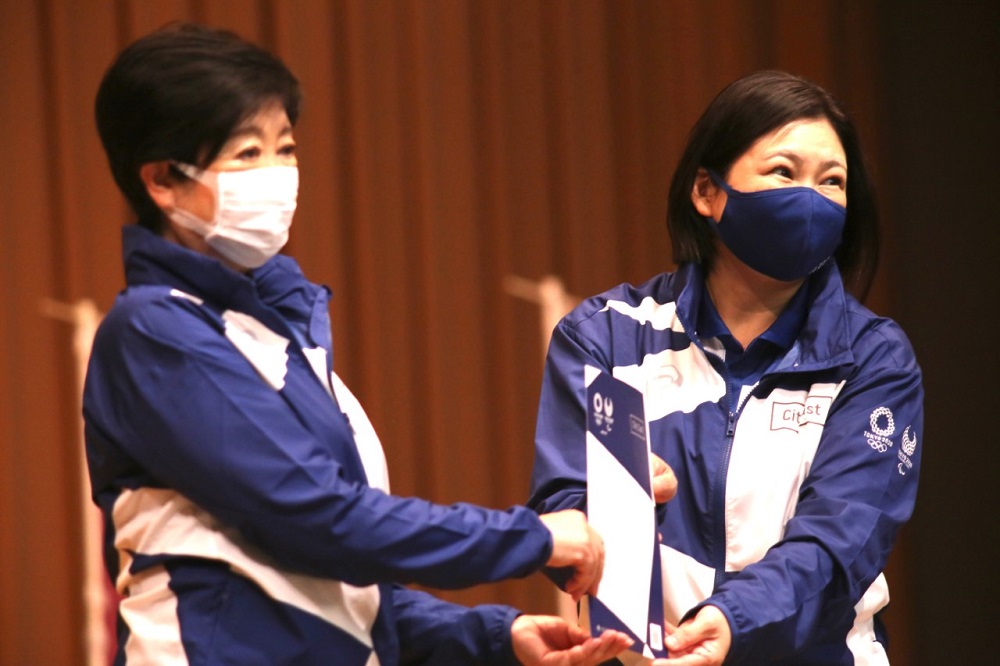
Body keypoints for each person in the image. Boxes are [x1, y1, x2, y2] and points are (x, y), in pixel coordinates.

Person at [84, 23, 632, 665]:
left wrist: (493, 635)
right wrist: (532, 537)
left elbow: (333, 584)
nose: (277, 174)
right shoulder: (157, 332)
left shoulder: (274, 326)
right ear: (162, 182)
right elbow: (321, 519)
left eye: (284, 148)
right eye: (245, 154)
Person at [528, 70, 923, 665]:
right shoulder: (605, 337)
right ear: (707, 193)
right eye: (784, 172)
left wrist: (728, 618)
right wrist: (624, 500)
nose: (811, 199)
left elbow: (844, 537)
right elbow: (565, 522)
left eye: (833, 182)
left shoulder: (873, 358)